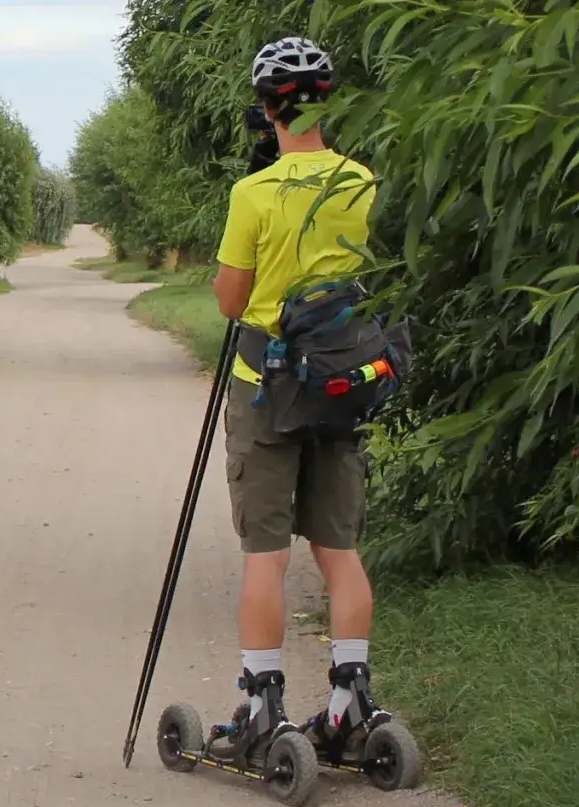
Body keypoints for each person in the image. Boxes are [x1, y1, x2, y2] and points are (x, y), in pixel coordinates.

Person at [211, 37, 392, 759]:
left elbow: (231, 299)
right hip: (343, 384)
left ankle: (262, 701)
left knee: (266, 553)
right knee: (339, 547)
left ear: (266, 110)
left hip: (269, 390)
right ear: (327, 100)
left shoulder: (253, 193)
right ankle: (349, 700)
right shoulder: (361, 181)